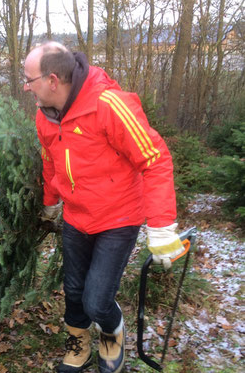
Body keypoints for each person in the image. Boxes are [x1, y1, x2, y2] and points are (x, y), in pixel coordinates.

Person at [23, 42, 184, 373]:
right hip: (76, 216)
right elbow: (50, 160)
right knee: (75, 290)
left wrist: (162, 226)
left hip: (118, 218)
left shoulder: (109, 105)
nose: (26, 87)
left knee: (97, 300)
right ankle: (78, 346)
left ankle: (112, 334)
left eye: (30, 79)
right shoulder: (45, 115)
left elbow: (155, 159)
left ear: (53, 80)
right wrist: (50, 203)